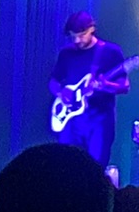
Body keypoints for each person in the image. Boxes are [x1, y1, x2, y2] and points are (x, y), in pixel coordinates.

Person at [47, 11, 129, 174]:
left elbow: (124, 86)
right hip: (71, 123)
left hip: (99, 121)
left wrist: (105, 85)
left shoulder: (110, 52)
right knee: (67, 168)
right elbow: (53, 82)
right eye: (73, 36)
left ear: (92, 28)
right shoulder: (67, 54)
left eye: (81, 35)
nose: (77, 40)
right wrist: (61, 93)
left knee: (95, 170)